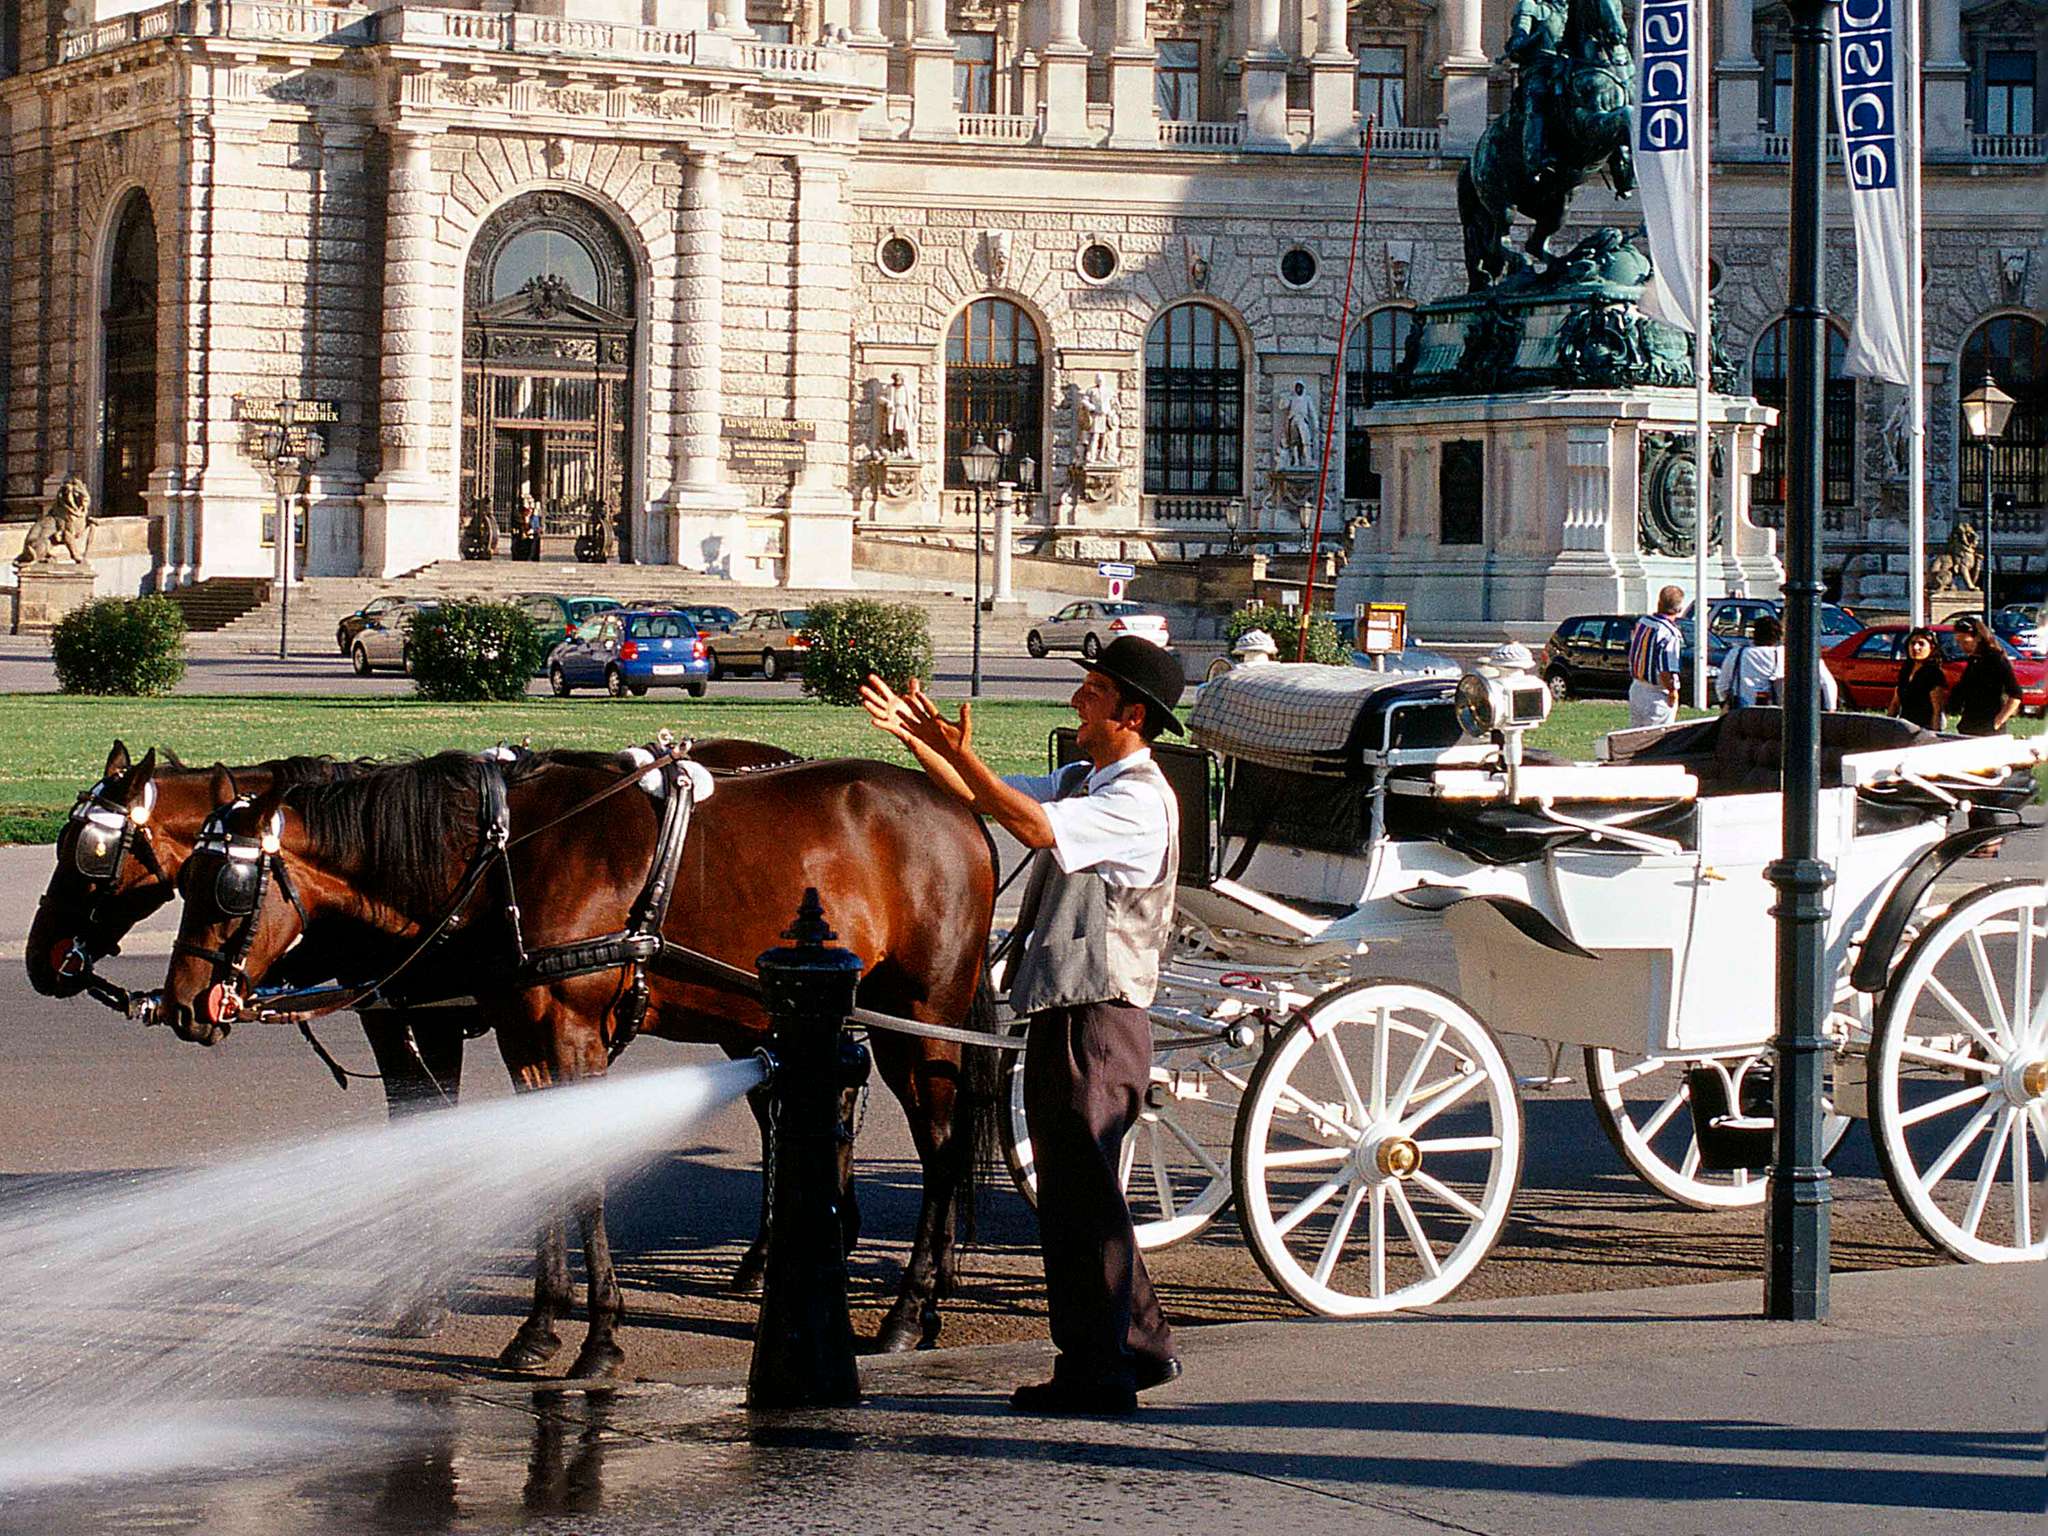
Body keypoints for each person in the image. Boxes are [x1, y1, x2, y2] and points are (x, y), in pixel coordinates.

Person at [862, 637, 1185, 1418]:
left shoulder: (1137, 800)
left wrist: (959, 759)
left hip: (1097, 1018)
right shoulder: (1089, 779)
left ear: (1131, 715)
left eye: (1096, 690)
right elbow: (991, 799)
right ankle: (1139, 1345)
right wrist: (925, 744)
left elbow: (1035, 830)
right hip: (1069, 1011)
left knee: (1078, 1202)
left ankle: (1096, 1372)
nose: (1079, 698)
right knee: (1086, 1192)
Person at [1947, 615, 2023, 857]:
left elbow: (2015, 695)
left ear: (1977, 636)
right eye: (1958, 641)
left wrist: (1998, 721)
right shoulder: (1975, 661)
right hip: (1969, 728)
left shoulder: (1995, 660)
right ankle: (1979, 837)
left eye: (1964, 640)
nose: (1961, 645)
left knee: (1982, 786)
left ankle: (1990, 838)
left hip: (1988, 731)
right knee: (1970, 785)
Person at [1715, 614, 1839, 711]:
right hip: (1780, 713)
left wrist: (1724, 702)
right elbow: (1827, 683)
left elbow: (1722, 686)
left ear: (1754, 634)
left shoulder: (1737, 653)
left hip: (1744, 713)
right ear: (1780, 635)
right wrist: (1830, 708)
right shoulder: (1791, 654)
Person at [1626, 585, 1685, 728]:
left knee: (1636, 737)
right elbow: (1665, 669)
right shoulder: (1669, 633)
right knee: (1655, 740)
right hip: (1657, 694)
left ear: (1659, 603)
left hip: (1637, 687)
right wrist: (1672, 691)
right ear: (1679, 609)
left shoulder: (1643, 623)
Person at [1888, 627, 1949, 731]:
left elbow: (1937, 710)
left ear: (1932, 647)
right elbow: (1895, 703)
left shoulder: (1933, 674)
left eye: (1921, 644)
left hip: (1924, 730)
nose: (1916, 647)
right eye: (1912, 643)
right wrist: (1887, 727)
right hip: (1905, 727)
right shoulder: (1906, 670)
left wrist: (1935, 736)